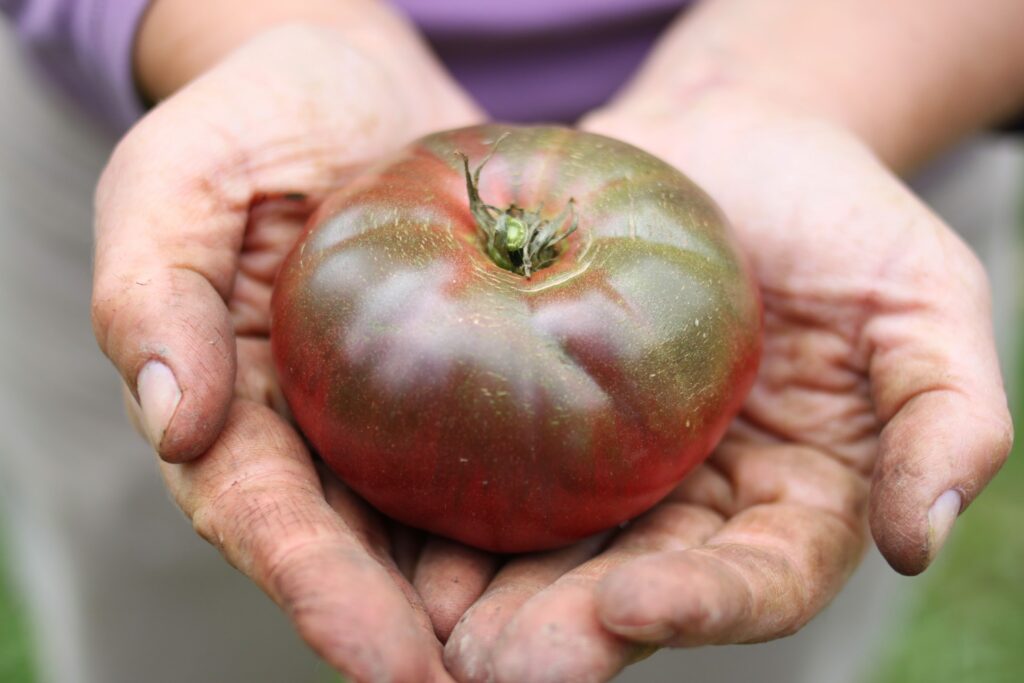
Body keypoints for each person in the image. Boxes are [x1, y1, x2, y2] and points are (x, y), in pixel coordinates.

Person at [0, 0, 1020, 681]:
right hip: (187, 139)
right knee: (176, 627)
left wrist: (823, 82)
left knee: (699, 640)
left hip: (869, 119)